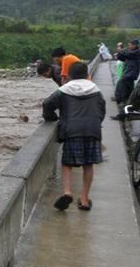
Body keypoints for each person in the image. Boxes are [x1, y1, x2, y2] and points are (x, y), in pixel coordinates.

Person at [43, 61, 106, 210]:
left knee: (67, 164)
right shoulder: (96, 90)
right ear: (88, 75)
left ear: (69, 76)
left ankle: (67, 192)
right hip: (92, 130)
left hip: (72, 131)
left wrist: (52, 118)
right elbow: (102, 110)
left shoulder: (64, 90)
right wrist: (95, 124)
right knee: (88, 164)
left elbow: (47, 104)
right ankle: (84, 199)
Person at [111, 39, 140, 120]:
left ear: (135, 45)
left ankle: (120, 102)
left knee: (123, 88)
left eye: (130, 45)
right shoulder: (130, 52)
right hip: (127, 74)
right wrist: (120, 52)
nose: (129, 46)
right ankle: (123, 108)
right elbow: (122, 58)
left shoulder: (137, 52)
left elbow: (128, 54)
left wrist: (121, 50)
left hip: (130, 75)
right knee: (130, 94)